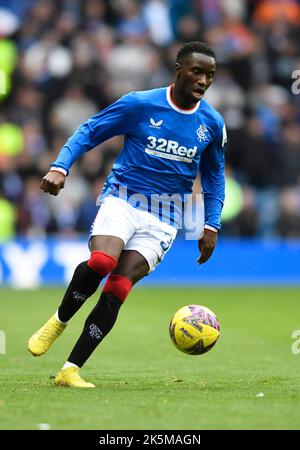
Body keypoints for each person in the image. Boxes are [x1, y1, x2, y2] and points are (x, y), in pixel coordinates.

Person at [28, 41, 227, 388]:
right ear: (179, 69)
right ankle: (58, 322)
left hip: (165, 217)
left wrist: (211, 223)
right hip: (124, 198)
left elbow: (214, 176)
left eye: (209, 75)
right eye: (197, 71)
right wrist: (61, 166)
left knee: (119, 286)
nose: (203, 81)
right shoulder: (140, 104)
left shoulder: (211, 123)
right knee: (103, 262)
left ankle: (70, 370)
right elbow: (90, 130)